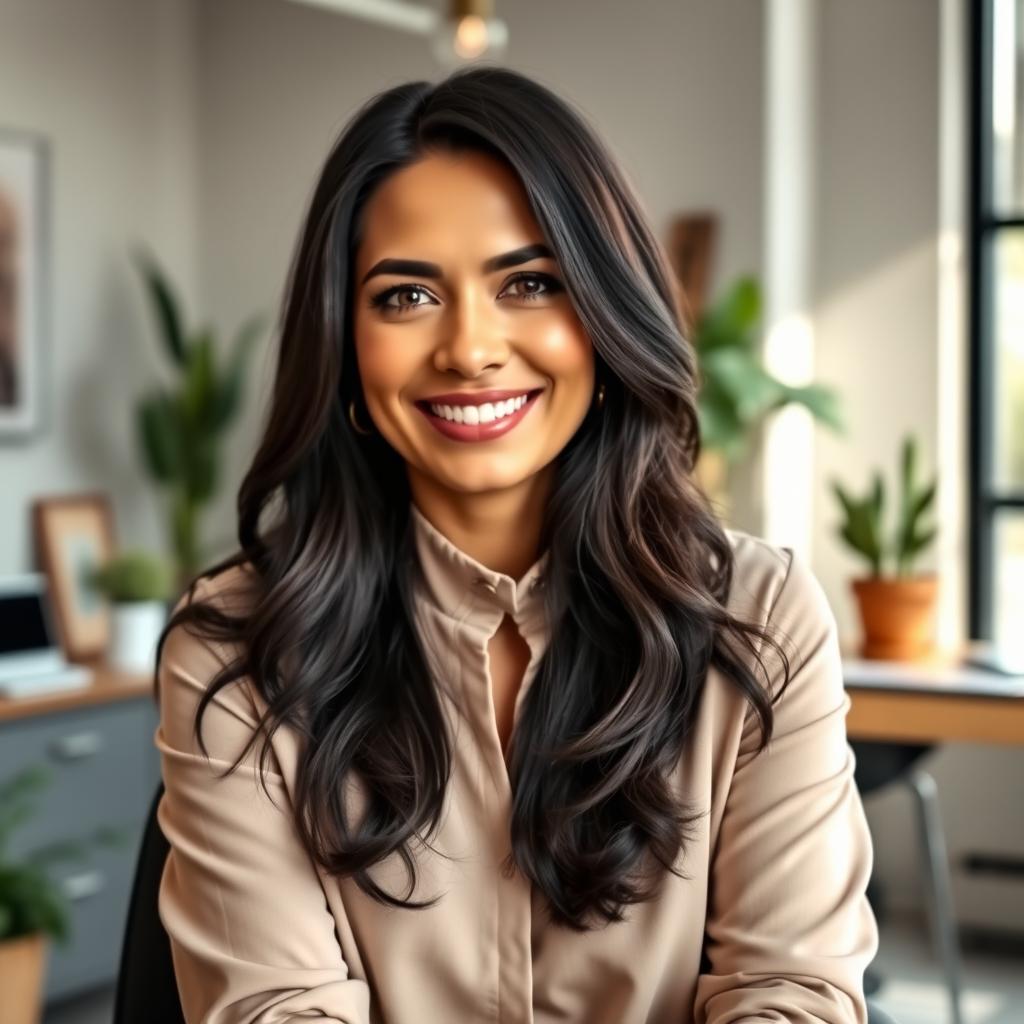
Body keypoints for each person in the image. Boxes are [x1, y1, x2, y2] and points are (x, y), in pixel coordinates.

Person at [154, 65, 879, 1024]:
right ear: (342, 345)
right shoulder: (235, 645)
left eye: (530, 284)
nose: (470, 347)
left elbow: (790, 993)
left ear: (605, 317)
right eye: (405, 297)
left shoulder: (759, 617)